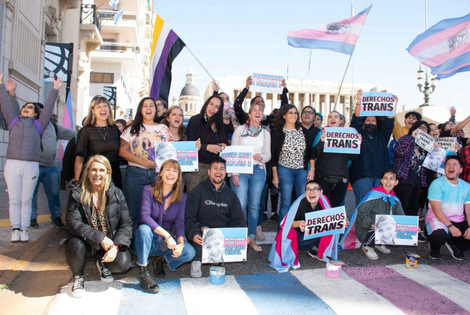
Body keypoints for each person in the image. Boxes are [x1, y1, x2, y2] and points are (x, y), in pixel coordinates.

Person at [0, 74, 62, 242]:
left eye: (30, 107)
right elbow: (5, 104)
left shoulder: (38, 125)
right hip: (12, 164)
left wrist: (55, 89)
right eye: (24, 107)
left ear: (35, 114)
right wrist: (1, 86)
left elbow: (48, 108)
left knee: (26, 199)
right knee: (14, 199)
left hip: (31, 166)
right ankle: (15, 229)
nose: (26, 108)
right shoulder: (13, 121)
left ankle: (24, 229)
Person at [65, 155, 133, 297]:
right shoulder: (77, 193)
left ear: (108, 173)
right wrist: (100, 237)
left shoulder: (117, 193)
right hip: (86, 242)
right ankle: (78, 276)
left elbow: (126, 224)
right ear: (88, 172)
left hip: (108, 244)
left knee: (123, 263)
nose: (97, 174)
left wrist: (116, 246)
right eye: (94, 170)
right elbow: (73, 223)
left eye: (102, 170)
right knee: (74, 245)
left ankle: (102, 263)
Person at [133, 159, 195, 293]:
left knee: (189, 252)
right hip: (148, 238)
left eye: (175, 171)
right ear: (160, 173)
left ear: (178, 176)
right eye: (167, 170)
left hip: (164, 242)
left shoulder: (181, 197)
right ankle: (143, 272)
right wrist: (167, 235)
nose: (171, 174)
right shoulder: (148, 190)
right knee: (144, 230)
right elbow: (144, 217)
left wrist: (181, 244)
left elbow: (179, 223)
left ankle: (162, 260)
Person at [185, 157, 246, 278]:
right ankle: (197, 260)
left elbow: (238, 219)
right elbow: (188, 217)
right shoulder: (197, 192)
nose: (218, 172)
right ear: (209, 172)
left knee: (221, 235)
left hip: (220, 234)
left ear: (225, 172)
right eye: (215, 168)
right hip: (201, 232)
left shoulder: (231, 195)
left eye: (222, 169)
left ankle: (218, 258)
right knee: (201, 234)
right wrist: (193, 232)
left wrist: (243, 236)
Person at [268, 180, 348, 272]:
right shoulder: (300, 203)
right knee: (286, 232)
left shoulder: (324, 201)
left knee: (333, 227)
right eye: (308, 189)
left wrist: (342, 222)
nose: (311, 192)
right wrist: (298, 223)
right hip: (300, 240)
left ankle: (320, 251)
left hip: (314, 237)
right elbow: (285, 224)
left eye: (315, 189)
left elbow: (332, 220)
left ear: (321, 192)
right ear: (305, 192)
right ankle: (288, 257)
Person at [119, 97, 173, 229]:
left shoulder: (164, 129)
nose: (148, 108)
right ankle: (130, 245)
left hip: (158, 175)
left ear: (156, 110)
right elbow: (122, 151)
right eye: (145, 106)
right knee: (133, 211)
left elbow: (172, 150)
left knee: (156, 212)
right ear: (140, 110)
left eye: (151, 105)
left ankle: (153, 244)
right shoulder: (132, 128)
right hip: (135, 174)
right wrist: (143, 162)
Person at [231, 102, 271, 252]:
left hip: (258, 170)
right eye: (254, 109)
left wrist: (261, 157)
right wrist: (234, 173)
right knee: (240, 205)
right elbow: (233, 151)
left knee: (254, 206)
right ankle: (239, 238)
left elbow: (268, 155)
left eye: (260, 110)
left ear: (262, 114)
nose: (257, 111)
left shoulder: (266, 133)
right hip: (240, 170)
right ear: (249, 114)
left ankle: (252, 238)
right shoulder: (240, 130)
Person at [349, 90, 394, 204]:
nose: (371, 122)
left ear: (377, 123)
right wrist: (359, 102)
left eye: (373, 121)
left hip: (380, 177)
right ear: (364, 122)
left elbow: (388, 123)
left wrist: (387, 102)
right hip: (362, 176)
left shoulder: (382, 136)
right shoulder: (358, 133)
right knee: (364, 205)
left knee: (380, 206)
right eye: (368, 120)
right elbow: (356, 120)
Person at [426, 156, 470, 260]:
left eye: (454, 164)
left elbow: (468, 209)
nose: (451, 166)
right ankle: (434, 248)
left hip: (458, 220)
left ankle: (454, 243)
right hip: (437, 219)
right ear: (444, 168)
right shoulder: (437, 184)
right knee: (439, 235)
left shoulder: (467, 186)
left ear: (461, 170)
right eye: (448, 164)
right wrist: (450, 226)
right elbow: (436, 209)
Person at [355, 169, 404, 260]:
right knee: (381, 226)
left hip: (382, 228)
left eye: (391, 179)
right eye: (385, 178)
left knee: (400, 232)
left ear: (396, 182)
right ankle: (367, 246)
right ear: (381, 181)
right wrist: (371, 224)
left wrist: (412, 228)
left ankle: (379, 243)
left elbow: (401, 217)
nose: (388, 181)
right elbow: (361, 214)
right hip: (366, 229)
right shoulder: (373, 195)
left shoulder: (394, 199)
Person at [74, 96, 122, 188]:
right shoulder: (86, 131)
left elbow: (124, 147)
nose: (103, 109)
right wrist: (77, 182)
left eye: (105, 106)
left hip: (114, 176)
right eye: (99, 107)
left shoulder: (114, 129)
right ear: (93, 111)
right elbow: (79, 159)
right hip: (95, 176)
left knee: (113, 202)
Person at [313, 111, 358, 207]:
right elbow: (316, 153)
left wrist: (357, 144)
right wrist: (321, 142)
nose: (332, 119)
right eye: (330, 117)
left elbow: (353, 157)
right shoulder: (322, 133)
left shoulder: (348, 135)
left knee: (336, 206)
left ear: (341, 121)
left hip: (340, 177)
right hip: (323, 176)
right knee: (322, 205)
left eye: (335, 117)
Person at [186, 95, 228, 192]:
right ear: (206, 105)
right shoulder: (195, 120)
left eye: (217, 107)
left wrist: (224, 146)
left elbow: (223, 142)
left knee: (211, 203)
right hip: (196, 168)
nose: (213, 108)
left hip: (214, 170)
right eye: (211, 104)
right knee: (195, 202)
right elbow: (189, 145)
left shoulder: (220, 124)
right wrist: (207, 147)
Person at [393, 120, 430, 216]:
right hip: (404, 179)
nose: (423, 130)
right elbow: (399, 151)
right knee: (402, 207)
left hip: (417, 181)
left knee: (413, 208)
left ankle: (410, 230)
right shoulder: (405, 139)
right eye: (421, 127)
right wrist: (413, 139)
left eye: (426, 129)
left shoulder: (426, 146)